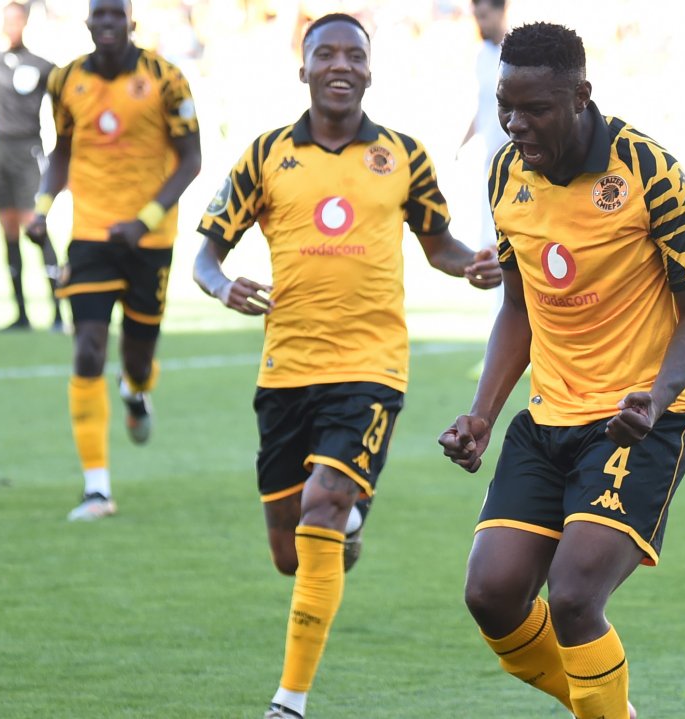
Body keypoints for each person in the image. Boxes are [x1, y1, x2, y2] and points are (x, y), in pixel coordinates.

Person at [193, 14, 500, 718]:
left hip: (371, 368)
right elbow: (207, 249)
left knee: (324, 502)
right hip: (285, 370)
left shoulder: (403, 155)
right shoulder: (266, 154)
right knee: (290, 551)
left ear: (370, 69)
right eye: (324, 53)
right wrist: (221, 285)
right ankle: (347, 529)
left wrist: (470, 268)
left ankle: (289, 701)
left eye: (354, 54)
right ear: (302, 70)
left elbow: (439, 241)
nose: (341, 63)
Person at [437, 22, 685, 719]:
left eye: (532, 107)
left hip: (638, 420)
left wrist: (654, 398)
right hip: (548, 418)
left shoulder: (648, 171)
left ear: (580, 97)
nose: (513, 122)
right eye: (506, 104)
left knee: (573, 595)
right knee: (492, 592)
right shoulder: (506, 173)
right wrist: (482, 412)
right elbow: (518, 308)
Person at [26, 0, 202, 521]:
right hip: (91, 236)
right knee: (87, 349)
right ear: (87, 23)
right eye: (97, 15)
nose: (106, 24)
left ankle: (136, 391)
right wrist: (42, 207)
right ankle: (97, 488)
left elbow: (191, 159)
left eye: (115, 15)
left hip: (149, 239)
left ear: (131, 22)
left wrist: (145, 219)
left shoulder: (166, 79)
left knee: (139, 360)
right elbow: (61, 149)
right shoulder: (64, 81)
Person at [0, 1, 63, 333]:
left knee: (35, 227)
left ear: (26, 23)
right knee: (8, 229)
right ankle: (21, 314)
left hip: (28, 150)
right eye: (7, 20)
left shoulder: (42, 65)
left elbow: (65, 101)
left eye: (17, 20)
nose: (11, 26)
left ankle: (58, 314)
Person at [458, 0, 508, 379]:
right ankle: (501, 340)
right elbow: (482, 107)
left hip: (520, 171)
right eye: (476, 14)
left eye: (484, 14)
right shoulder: (482, 57)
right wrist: (464, 142)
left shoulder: (517, 56)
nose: (479, 20)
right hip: (490, 172)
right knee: (492, 252)